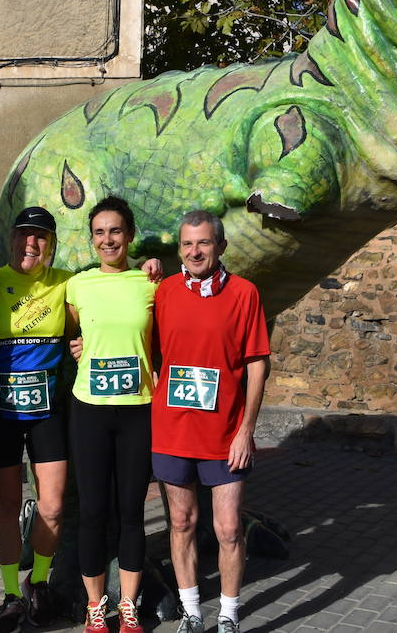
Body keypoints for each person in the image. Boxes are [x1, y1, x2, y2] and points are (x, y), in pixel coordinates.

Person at [151, 210, 270, 633]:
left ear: (220, 246)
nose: (195, 251)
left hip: (225, 435)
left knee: (229, 528)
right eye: (187, 244)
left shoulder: (244, 293)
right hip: (173, 431)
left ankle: (228, 614)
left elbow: (257, 364)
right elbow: (145, 349)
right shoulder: (164, 291)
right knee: (181, 523)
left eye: (203, 243)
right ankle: (191, 612)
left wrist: (246, 430)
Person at [65, 196, 159, 633]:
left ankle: (129, 607)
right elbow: (68, 333)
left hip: (138, 410)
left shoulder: (150, 283)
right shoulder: (78, 286)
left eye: (115, 231)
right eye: (100, 232)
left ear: (130, 235)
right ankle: (95, 607)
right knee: (93, 512)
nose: (108, 240)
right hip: (90, 411)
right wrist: (76, 347)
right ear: (92, 238)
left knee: (131, 513)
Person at [0, 206, 74, 632]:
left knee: (52, 506)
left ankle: (38, 581)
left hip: (48, 411)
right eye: (24, 235)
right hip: (1, 412)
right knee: (5, 507)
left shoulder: (65, 284)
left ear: (51, 244)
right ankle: (10, 594)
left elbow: (106, 302)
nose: (30, 244)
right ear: (11, 240)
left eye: (40, 237)